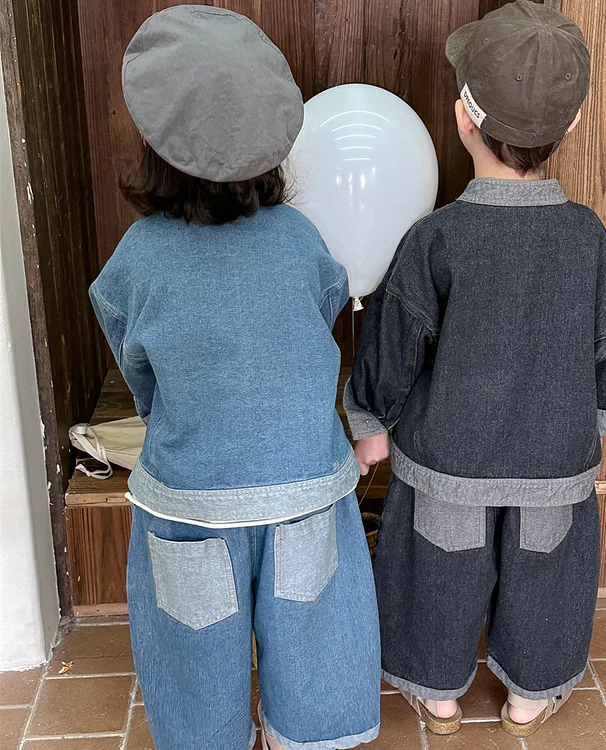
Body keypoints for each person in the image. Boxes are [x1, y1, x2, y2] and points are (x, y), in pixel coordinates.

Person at [345, 0, 606, 738]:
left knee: (438, 568)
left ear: (461, 118)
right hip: (553, 456)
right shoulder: (588, 237)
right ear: (574, 124)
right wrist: (602, 408)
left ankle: (440, 696)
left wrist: (372, 423)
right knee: (547, 575)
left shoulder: (436, 238)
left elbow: (395, 340)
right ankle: (530, 698)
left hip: (450, 455)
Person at [89, 7, 380, 749]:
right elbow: (322, 323)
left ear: (156, 146)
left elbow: (137, 364)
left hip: (191, 494)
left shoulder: (137, 257)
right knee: (315, 644)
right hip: (303, 487)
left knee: (193, 662)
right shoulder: (302, 240)